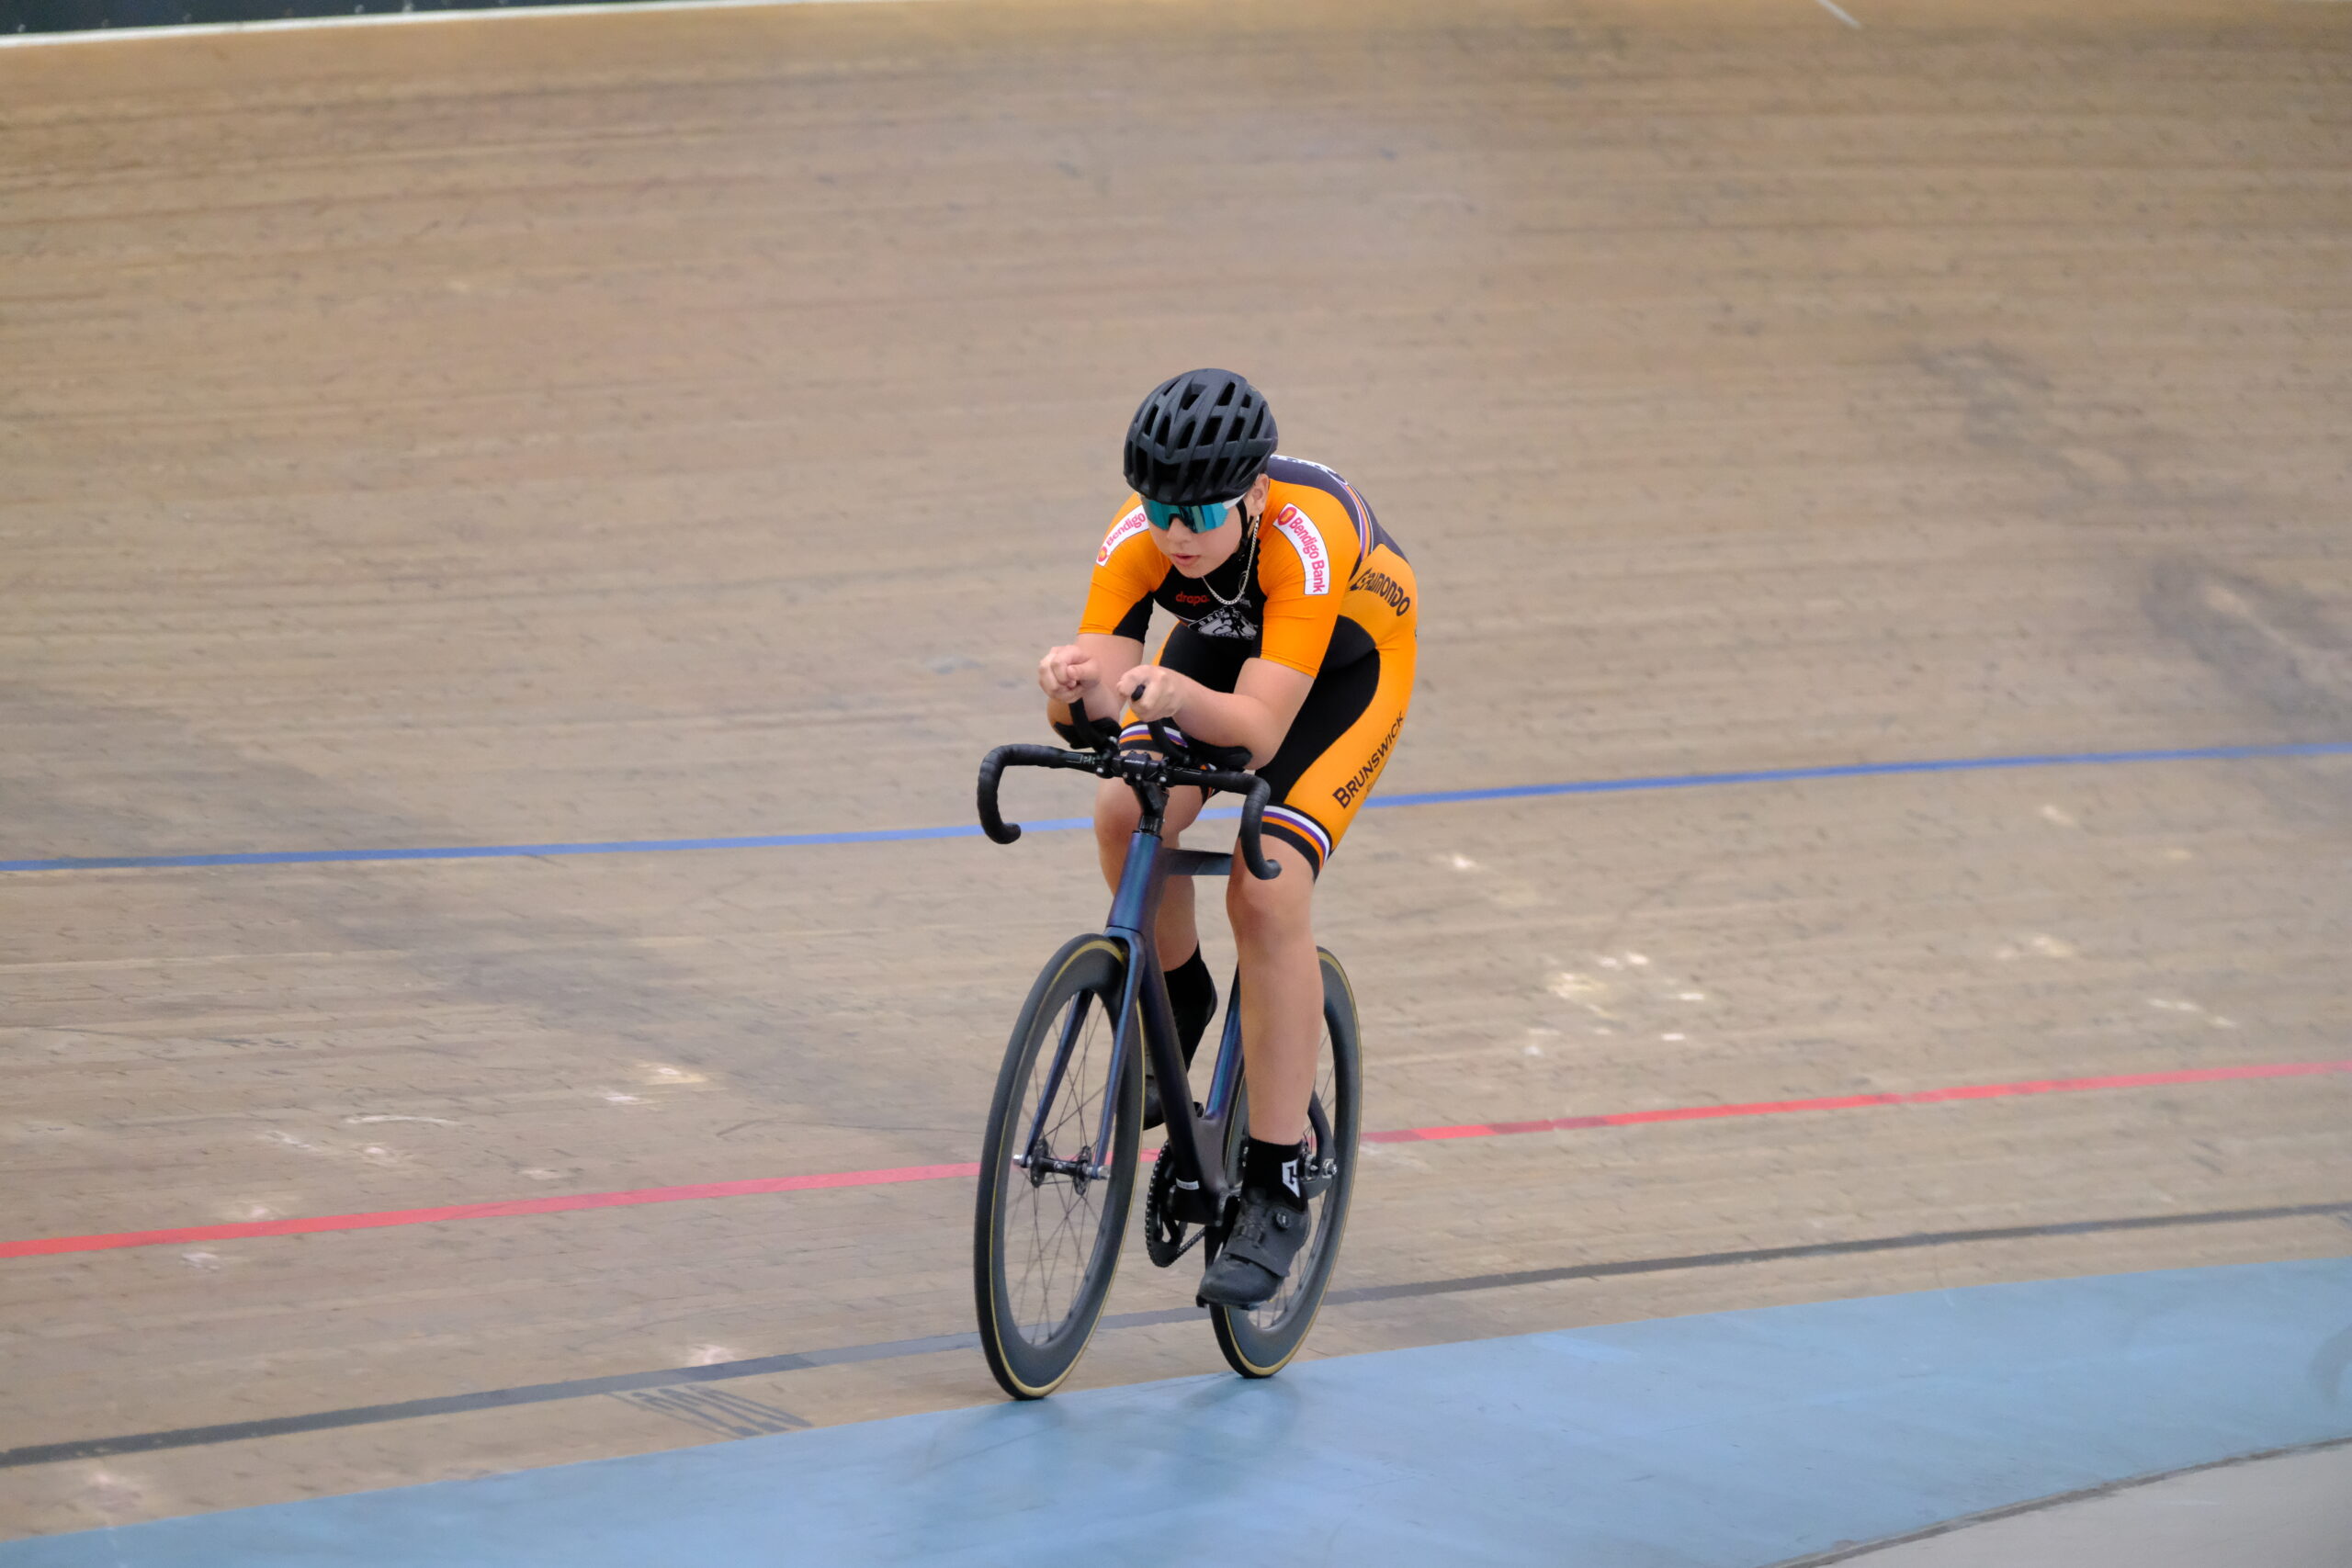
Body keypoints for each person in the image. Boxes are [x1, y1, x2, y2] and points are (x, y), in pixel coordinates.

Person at [1035, 368, 1418, 1307]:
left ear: (1252, 494)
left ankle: (1277, 1179)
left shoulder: (1307, 536)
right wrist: (1070, 689)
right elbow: (1100, 708)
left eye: (1200, 514)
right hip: (1224, 655)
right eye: (1160, 509)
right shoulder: (1138, 536)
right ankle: (1178, 995)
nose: (1176, 532)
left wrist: (1172, 697)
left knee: (1268, 883)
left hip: (1341, 678)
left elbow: (1259, 733)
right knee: (1124, 805)